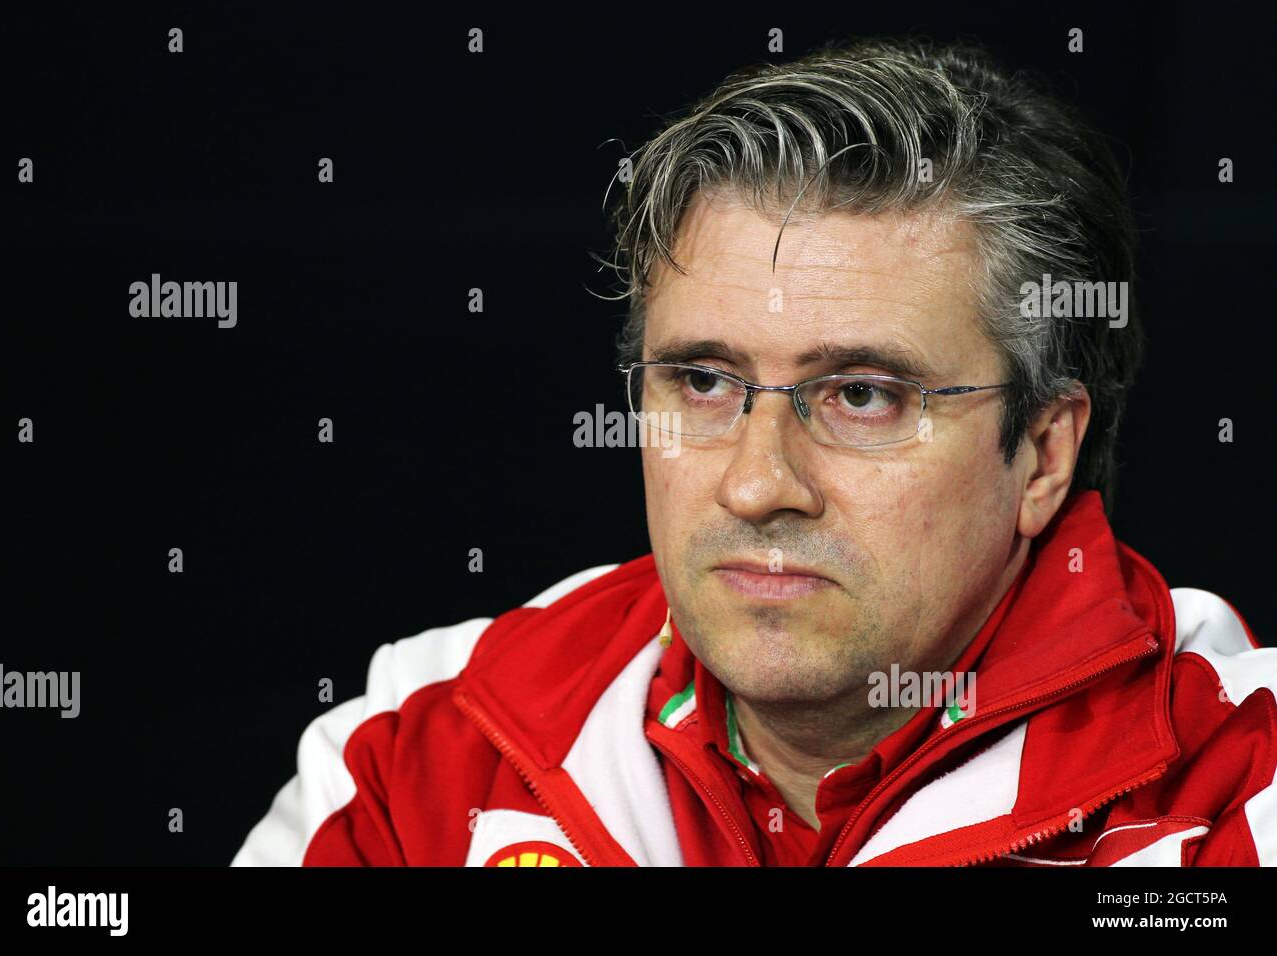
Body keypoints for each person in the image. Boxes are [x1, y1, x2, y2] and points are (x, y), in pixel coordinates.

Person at [232, 37, 1274, 867]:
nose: (756, 480)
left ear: (1044, 452)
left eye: (862, 395)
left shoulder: (1239, 782)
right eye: (703, 382)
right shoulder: (424, 744)